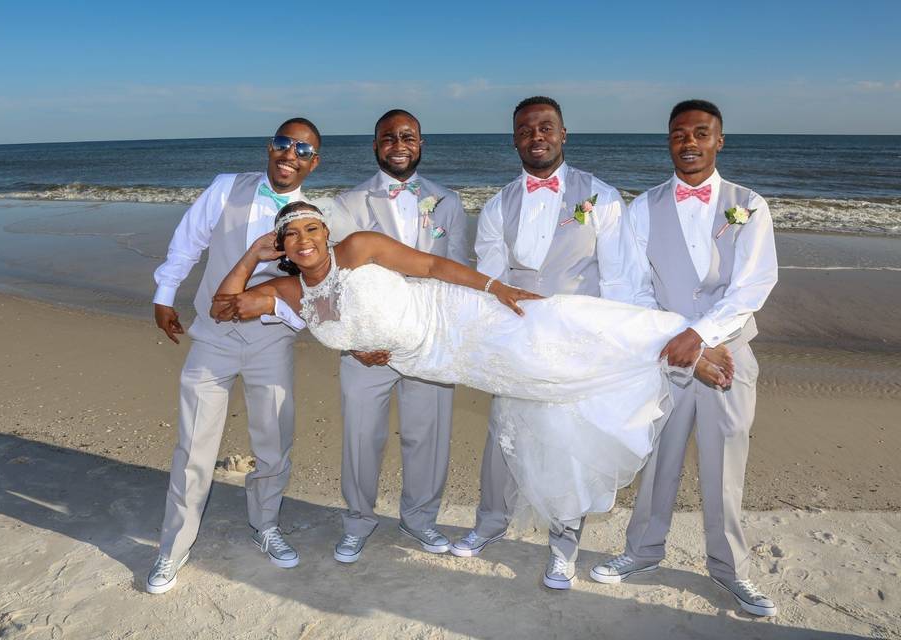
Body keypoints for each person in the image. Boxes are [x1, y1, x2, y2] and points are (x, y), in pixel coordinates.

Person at [211, 203, 735, 569]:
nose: (303, 241)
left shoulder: (359, 247)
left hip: (461, 317)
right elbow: (222, 306)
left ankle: (681, 344)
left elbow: (433, 264)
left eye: (311, 230)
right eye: (291, 235)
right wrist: (251, 257)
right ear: (282, 245)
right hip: (440, 361)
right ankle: (672, 357)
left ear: (327, 233)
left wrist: (495, 286)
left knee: (559, 328)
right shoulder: (287, 288)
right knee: (543, 379)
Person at [589, 99, 779, 618]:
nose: (689, 142)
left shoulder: (750, 204)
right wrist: (683, 343)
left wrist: (703, 336)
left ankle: (732, 572)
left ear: (720, 140)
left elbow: (752, 285)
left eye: (701, 133)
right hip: (666, 354)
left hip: (729, 357)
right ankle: (642, 552)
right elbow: (630, 286)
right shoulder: (643, 207)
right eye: (679, 134)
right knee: (657, 461)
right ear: (668, 141)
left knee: (724, 468)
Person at [461, 95, 631, 589]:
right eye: (526, 129)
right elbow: (490, 281)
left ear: (563, 134)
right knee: (504, 433)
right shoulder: (497, 205)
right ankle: (490, 523)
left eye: (546, 127)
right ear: (515, 138)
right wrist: (490, 341)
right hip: (518, 338)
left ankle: (564, 545)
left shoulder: (601, 196)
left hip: (578, 340)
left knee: (567, 444)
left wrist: (609, 340)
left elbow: (619, 277)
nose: (536, 136)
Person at [145, 118, 321, 594]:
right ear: (270, 147)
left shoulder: (318, 214)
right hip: (213, 335)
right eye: (284, 143)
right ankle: (173, 547)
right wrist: (165, 294)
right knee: (193, 446)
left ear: (313, 161)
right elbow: (189, 241)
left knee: (273, 442)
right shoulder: (227, 188)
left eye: (302, 149)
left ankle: (265, 526)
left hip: (273, 340)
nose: (291, 154)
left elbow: (319, 286)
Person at [320, 110, 468, 562]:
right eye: (389, 137)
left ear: (421, 143)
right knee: (362, 438)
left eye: (408, 136)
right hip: (367, 347)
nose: (398, 144)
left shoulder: (448, 202)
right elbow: (330, 283)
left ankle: (420, 519)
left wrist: (449, 340)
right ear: (375, 145)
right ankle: (358, 521)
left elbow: (458, 275)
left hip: (429, 343)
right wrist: (350, 342)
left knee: (428, 435)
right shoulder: (347, 204)